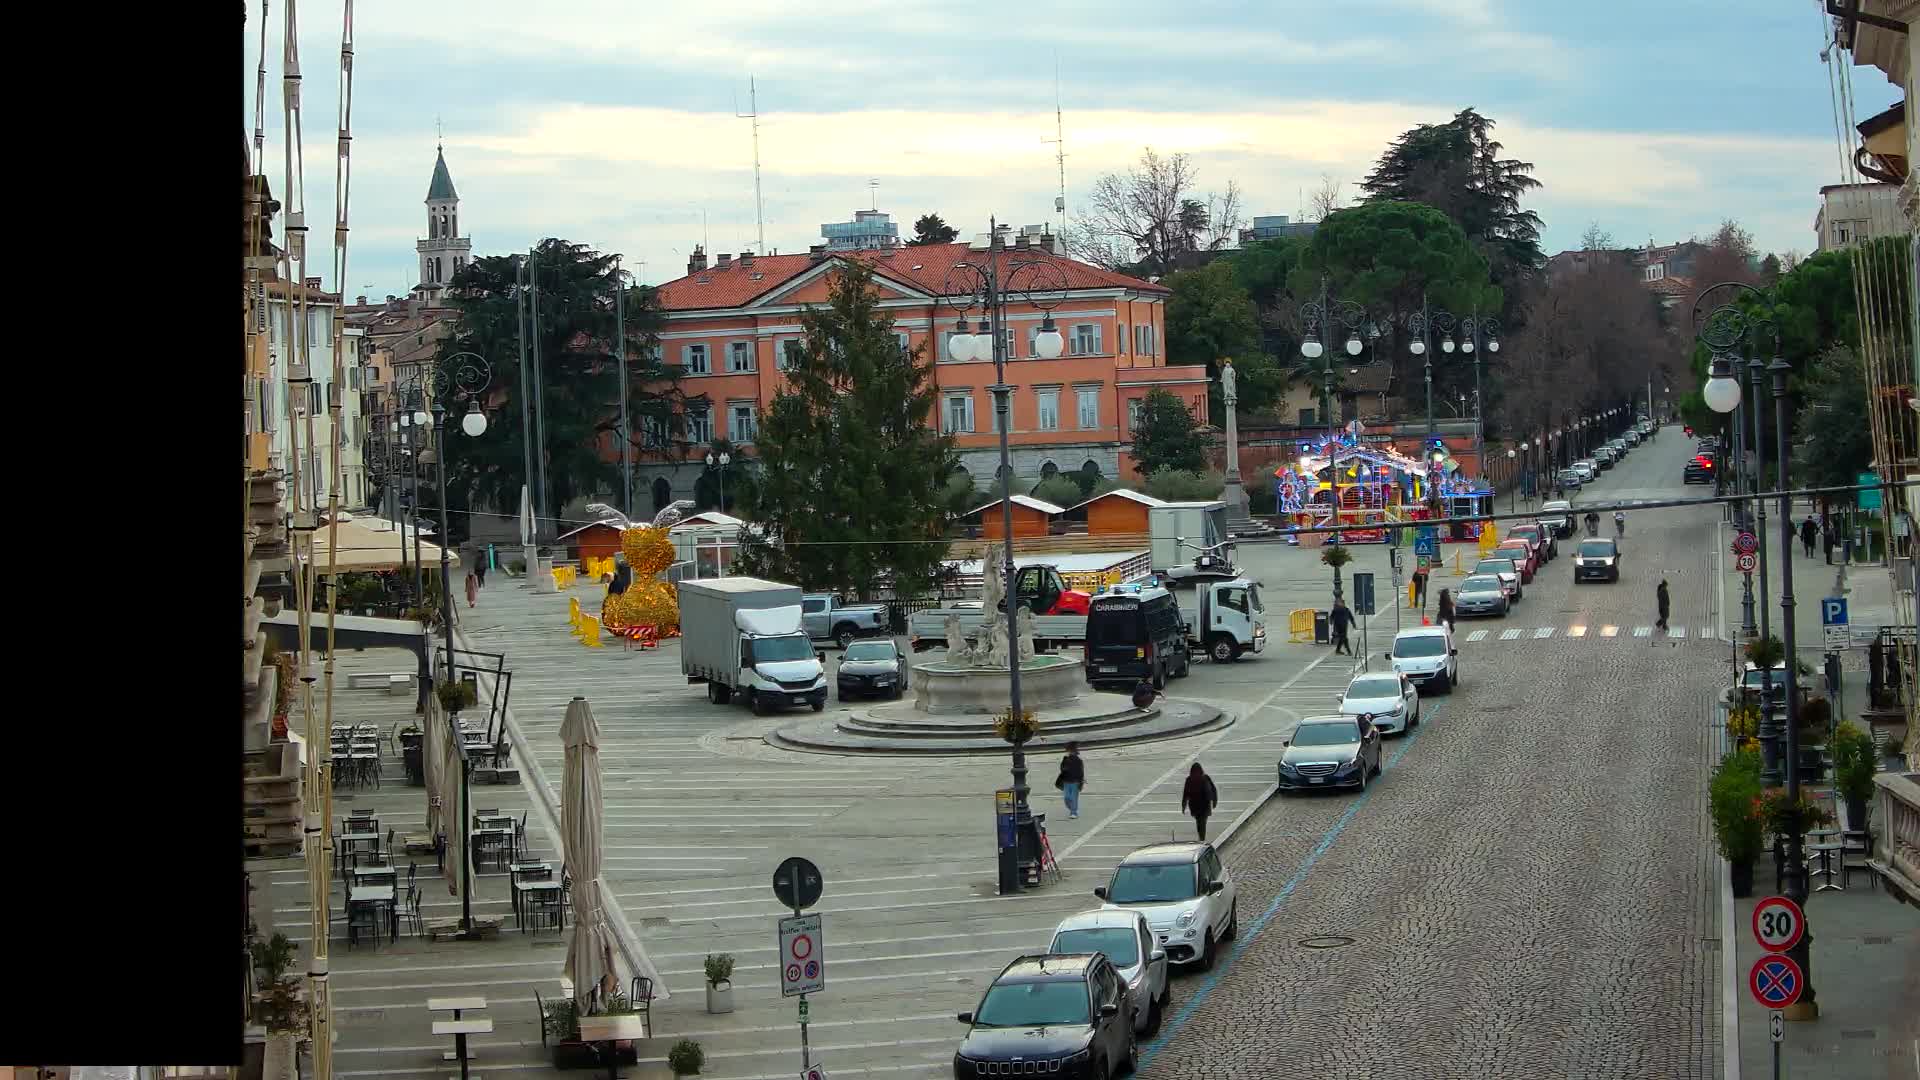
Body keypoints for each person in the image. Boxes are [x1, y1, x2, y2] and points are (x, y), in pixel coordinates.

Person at [1180, 763, 1219, 842]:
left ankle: (1202, 838)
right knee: (1200, 822)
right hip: (1197, 806)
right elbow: (1186, 794)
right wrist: (1183, 806)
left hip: (1203, 805)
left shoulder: (1204, 778)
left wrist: (1214, 801)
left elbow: (1213, 790)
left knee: (1202, 822)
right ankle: (1201, 838)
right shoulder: (1191, 779)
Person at [1054, 743, 1086, 820]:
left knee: (1073, 797)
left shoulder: (1079, 760)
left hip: (1075, 781)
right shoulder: (1065, 759)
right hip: (1066, 781)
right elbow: (1062, 769)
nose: (1070, 753)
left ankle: (1073, 812)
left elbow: (1081, 771)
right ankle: (1072, 808)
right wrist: (1065, 761)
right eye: (1069, 751)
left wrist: (1081, 780)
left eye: (1072, 751)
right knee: (1067, 797)